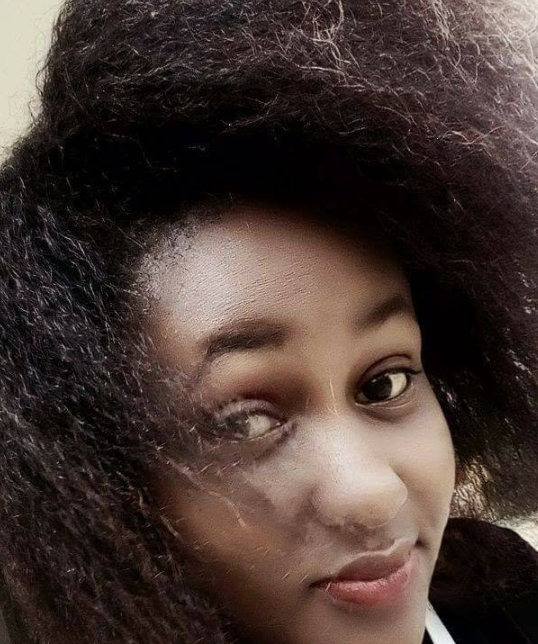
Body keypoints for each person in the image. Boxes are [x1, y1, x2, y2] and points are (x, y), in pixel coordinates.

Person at [0, 1, 538, 643]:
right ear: (104, 486)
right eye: (246, 422)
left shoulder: (505, 596)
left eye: (385, 384)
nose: (372, 493)